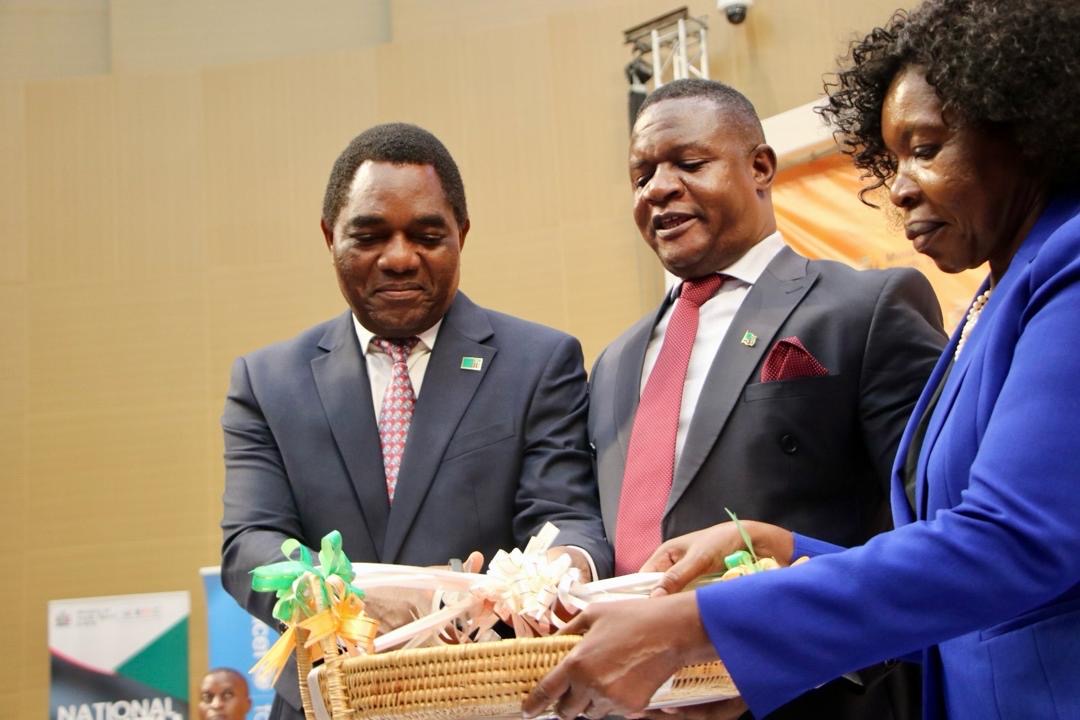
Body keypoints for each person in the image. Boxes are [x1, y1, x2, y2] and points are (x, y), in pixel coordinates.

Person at [522, 1, 1080, 719]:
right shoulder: (992, 296)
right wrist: (782, 547)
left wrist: (700, 626)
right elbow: (931, 551)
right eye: (892, 157)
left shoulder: (1065, 263)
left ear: (1026, 131)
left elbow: (1011, 542)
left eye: (928, 147)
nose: (900, 183)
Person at [220, 122, 612, 720]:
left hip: (494, 696)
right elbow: (249, 545)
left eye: (427, 235)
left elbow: (566, 521)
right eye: (370, 236)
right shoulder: (267, 382)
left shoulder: (540, 362)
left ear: (462, 233)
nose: (400, 258)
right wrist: (363, 599)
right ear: (330, 237)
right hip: (327, 698)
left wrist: (558, 572)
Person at [586, 77, 944, 718]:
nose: (659, 187)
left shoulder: (866, 309)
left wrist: (792, 662)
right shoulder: (614, 361)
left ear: (760, 166)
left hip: (816, 696)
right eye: (642, 174)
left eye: (689, 164)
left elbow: (934, 530)